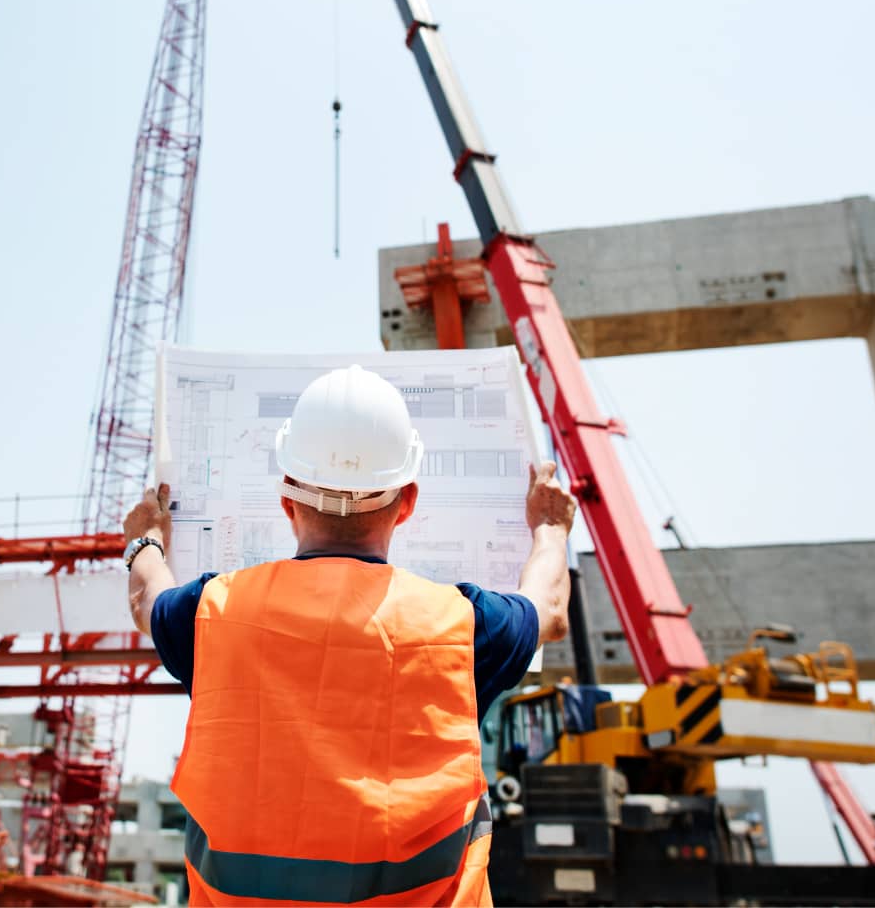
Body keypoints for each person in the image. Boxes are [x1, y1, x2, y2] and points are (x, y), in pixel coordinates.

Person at [123, 364, 576, 906]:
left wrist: (145, 540)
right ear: (405, 503)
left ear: (288, 500)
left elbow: (146, 601)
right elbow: (549, 609)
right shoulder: (461, 624)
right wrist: (550, 528)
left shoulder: (212, 612)